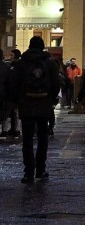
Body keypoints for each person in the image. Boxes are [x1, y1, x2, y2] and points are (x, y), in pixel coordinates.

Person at [7, 36, 60, 182]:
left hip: (26, 103)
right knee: (43, 138)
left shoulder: (21, 63)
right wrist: (51, 99)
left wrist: (16, 100)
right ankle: (41, 169)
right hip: (44, 103)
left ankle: (28, 172)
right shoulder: (49, 63)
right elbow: (56, 83)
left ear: (29, 46)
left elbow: (13, 83)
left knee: (28, 139)